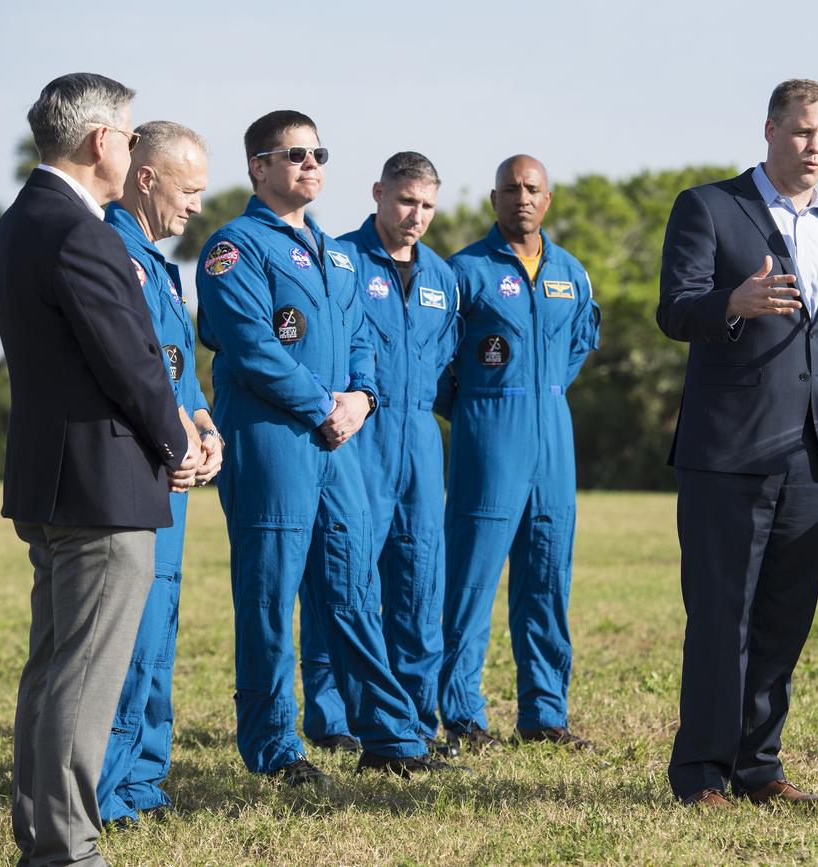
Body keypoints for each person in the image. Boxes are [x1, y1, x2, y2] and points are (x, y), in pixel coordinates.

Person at [195, 110, 452, 780]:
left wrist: (362, 398)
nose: (311, 165)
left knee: (352, 587)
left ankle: (390, 734)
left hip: (339, 444)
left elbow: (363, 340)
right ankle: (275, 746)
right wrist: (320, 405)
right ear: (259, 166)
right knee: (270, 594)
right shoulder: (234, 247)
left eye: (318, 154)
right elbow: (249, 344)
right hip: (273, 437)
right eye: (295, 154)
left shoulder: (339, 256)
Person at [0, 73, 200, 866]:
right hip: (102, 488)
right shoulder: (83, 233)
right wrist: (180, 447)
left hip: (51, 479)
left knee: (49, 675)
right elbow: (135, 366)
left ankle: (43, 837)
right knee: (80, 682)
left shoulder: (20, 222)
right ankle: (67, 848)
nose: (136, 143)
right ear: (103, 141)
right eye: (131, 131)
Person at [655, 79, 818, 809]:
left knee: (783, 620)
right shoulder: (710, 207)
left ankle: (759, 765)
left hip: (814, 457)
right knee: (722, 616)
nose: (815, 148)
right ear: (770, 129)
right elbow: (675, 310)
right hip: (729, 454)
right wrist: (732, 305)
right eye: (803, 132)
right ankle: (703, 773)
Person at [299, 152, 461, 755]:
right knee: (343, 579)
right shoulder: (338, 260)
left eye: (426, 206)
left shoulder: (444, 278)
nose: (415, 215)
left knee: (420, 584)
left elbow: (450, 363)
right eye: (405, 201)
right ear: (378, 193)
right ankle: (333, 716)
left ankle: (415, 718)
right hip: (354, 440)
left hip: (420, 443)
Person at [437, 155, 600, 752]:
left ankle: (544, 714)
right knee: (471, 579)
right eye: (511, 189)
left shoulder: (570, 272)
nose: (522, 199)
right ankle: (460, 713)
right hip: (487, 434)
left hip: (553, 435)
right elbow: (435, 359)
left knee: (547, 575)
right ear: (493, 199)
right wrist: (481, 405)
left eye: (532, 189)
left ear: (548, 199)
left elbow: (580, 341)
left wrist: (542, 391)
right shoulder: (463, 272)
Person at [97, 121, 223, 826]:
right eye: (191, 188)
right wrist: (176, 435)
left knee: (161, 628)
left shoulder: (160, 263)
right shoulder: (111, 252)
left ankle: (144, 779)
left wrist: (205, 425)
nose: (197, 205)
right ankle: (105, 792)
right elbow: (127, 372)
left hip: (173, 467)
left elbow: (177, 370)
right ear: (147, 177)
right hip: (138, 468)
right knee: (129, 634)